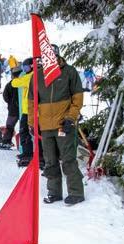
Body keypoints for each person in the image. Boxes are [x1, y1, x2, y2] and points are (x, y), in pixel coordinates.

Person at [28, 44, 85, 205]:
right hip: (46, 127)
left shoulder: (69, 72)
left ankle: (76, 192)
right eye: (45, 57)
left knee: (68, 160)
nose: (48, 59)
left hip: (63, 125)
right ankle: (54, 192)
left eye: (51, 56)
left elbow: (78, 98)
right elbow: (31, 102)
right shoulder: (37, 76)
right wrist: (32, 123)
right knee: (50, 161)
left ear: (57, 56)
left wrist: (71, 118)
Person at [12, 58, 45, 168]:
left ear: (32, 66)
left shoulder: (31, 76)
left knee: (25, 131)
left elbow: (15, 83)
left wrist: (15, 75)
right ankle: (39, 154)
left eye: (26, 67)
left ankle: (29, 153)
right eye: (23, 68)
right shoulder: (37, 75)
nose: (25, 70)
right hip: (35, 110)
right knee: (36, 132)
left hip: (29, 111)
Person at [0, 65, 22, 149]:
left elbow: (5, 96)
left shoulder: (10, 84)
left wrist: (11, 102)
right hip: (24, 109)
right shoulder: (26, 82)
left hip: (13, 109)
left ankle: (6, 142)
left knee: (9, 126)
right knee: (25, 127)